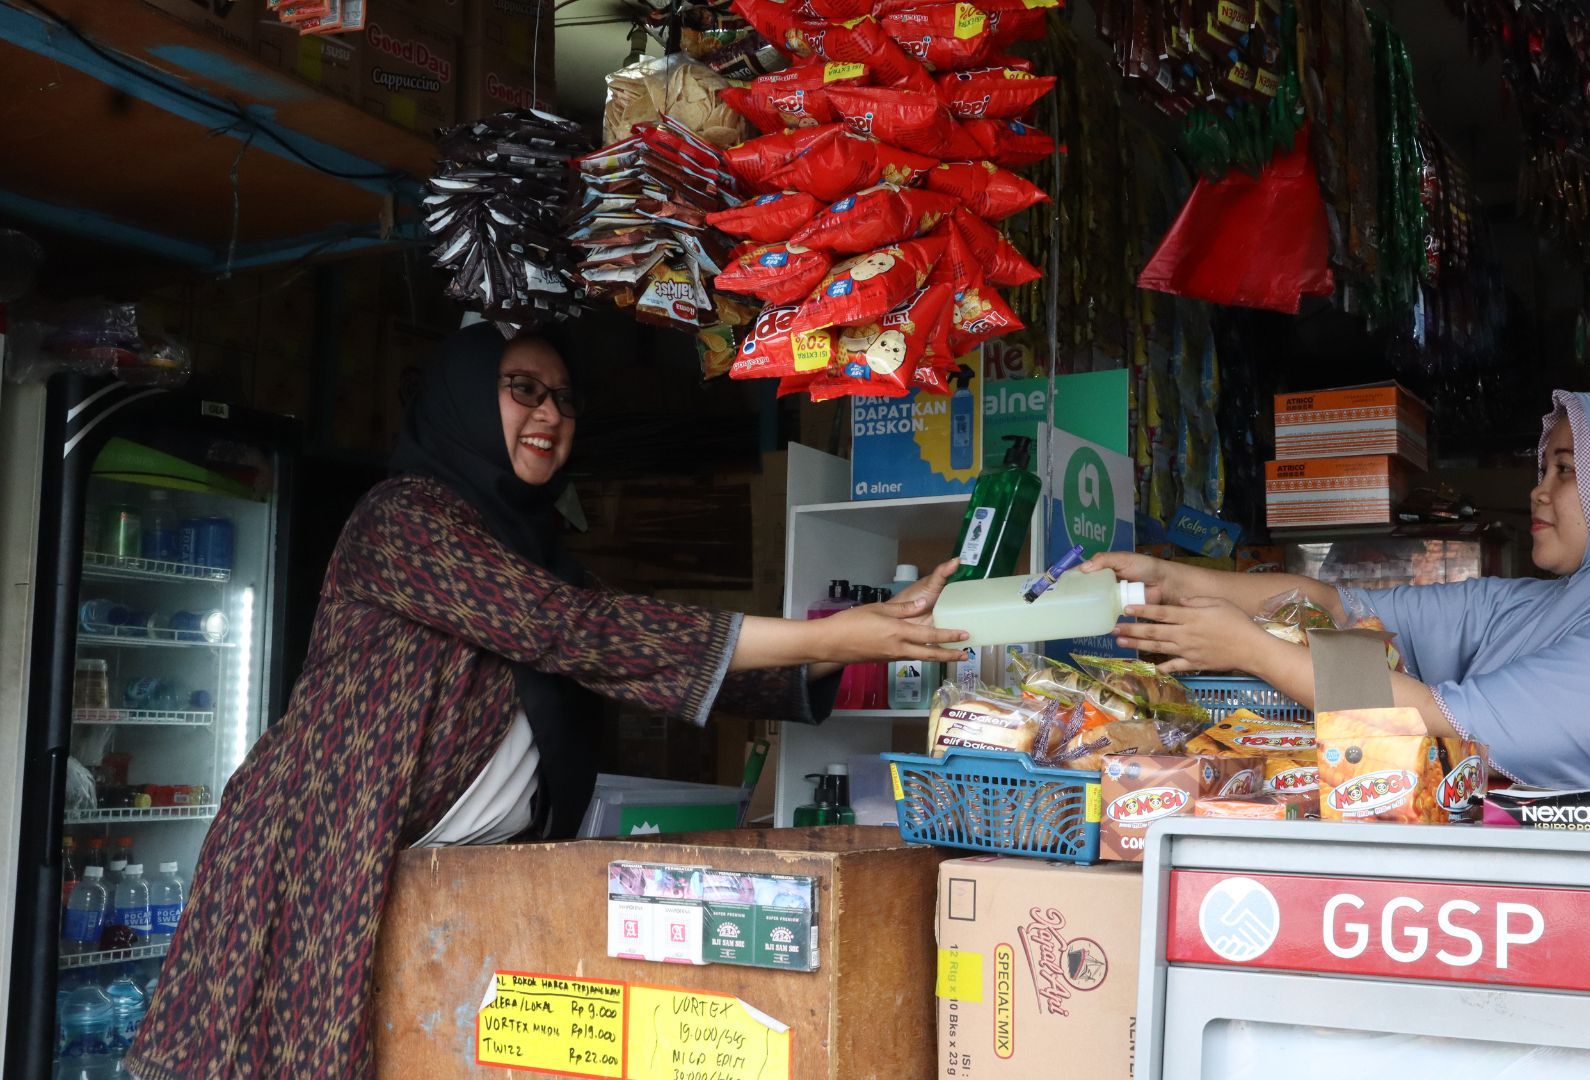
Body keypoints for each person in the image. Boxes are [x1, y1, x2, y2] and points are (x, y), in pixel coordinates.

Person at [124, 323, 966, 1079]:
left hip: (436, 871)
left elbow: (628, 650)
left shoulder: (534, 557)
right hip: (315, 853)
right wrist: (835, 636)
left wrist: (879, 632)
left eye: (564, 398)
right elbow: (568, 630)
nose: (550, 413)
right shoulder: (405, 519)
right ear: (461, 397)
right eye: (521, 387)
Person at [1092, 389, 1590, 793]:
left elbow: (1421, 714)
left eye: (1565, 472)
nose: (1538, 489)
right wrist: (1175, 578)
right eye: (1547, 467)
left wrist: (1253, 652)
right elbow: (1341, 610)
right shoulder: (1552, 606)